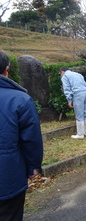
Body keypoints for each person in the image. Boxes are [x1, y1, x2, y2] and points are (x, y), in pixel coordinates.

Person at [0, 51, 43, 221]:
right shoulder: (20, 99)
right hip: (7, 177)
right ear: (6, 70)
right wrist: (33, 167)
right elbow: (31, 139)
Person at [60, 67, 86, 139]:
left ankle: (80, 134)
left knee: (79, 115)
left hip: (78, 94)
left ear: (62, 72)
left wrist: (69, 100)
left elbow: (67, 89)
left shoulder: (65, 76)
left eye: (60, 74)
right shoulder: (78, 74)